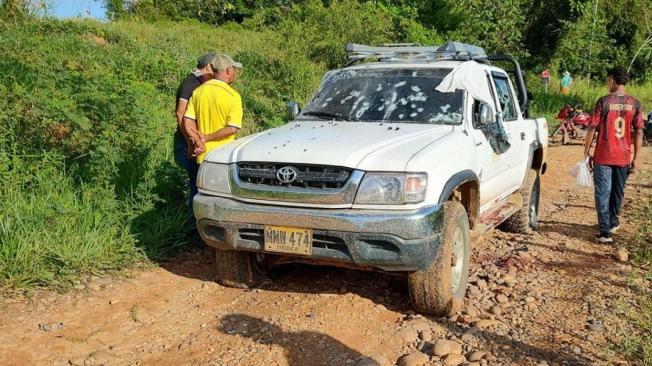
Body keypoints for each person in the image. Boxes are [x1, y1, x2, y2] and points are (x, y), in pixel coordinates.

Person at [583, 67, 644, 243]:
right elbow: (639, 132)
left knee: (603, 192)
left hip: (604, 155)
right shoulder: (635, 103)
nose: (606, 83)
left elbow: (592, 127)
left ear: (613, 80)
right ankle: (613, 222)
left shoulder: (604, 102)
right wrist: (635, 158)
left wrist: (586, 151)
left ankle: (604, 231)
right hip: (624, 156)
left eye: (607, 79)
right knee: (618, 191)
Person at [174, 52, 216, 219]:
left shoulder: (194, 82)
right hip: (188, 141)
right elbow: (180, 114)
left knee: (196, 182)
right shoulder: (190, 84)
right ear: (208, 67)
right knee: (195, 183)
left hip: (191, 140)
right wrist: (190, 140)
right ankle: (193, 222)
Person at [184, 54, 244, 165]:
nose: (235, 73)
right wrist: (206, 138)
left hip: (202, 156)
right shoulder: (233, 96)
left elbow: (188, 120)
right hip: (223, 157)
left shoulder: (198, 91)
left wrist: (197, 140)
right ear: (228, 71)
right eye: (234, 70)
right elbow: (231, 128)